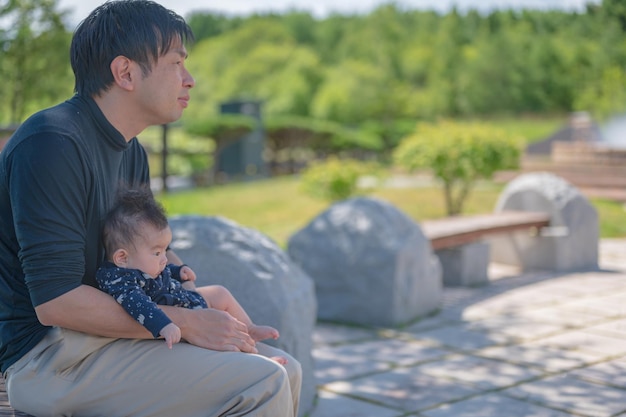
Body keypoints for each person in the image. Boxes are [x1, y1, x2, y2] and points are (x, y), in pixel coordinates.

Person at [0, 1, 301, 416]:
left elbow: (148, 248)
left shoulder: (131, 152)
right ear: (125, 72)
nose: (190, 80)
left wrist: (204, 309)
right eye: (177, 63)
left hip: (116, 335)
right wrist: (189, 322)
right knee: (261, 381)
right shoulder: (51, 143)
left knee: (283, 367)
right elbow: (57, 302)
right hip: (51, 357)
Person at [97, 187, 285, 359]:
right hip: (181, 313)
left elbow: (163, 272)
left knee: (219, 293)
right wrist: (165, 324)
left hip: (184, 299)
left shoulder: (143, 265)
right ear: (122, 258)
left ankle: (249, 328)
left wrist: (178, 271)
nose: (164, 258)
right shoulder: (120, 281)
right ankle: (257, 358)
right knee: (216, 335)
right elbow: (139, 305)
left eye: (165, 251)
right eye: (156, 252)